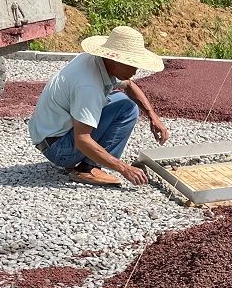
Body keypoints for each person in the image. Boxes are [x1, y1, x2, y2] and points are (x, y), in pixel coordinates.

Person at [28, 25, 169, 187]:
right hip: (58, 149)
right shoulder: (88, 86)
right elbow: (82, 140)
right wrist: (124, 169)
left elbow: (129, 85)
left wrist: (153, 116)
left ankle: (90, 163)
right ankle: (88, 168)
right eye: (131, 65)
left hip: (50, 136)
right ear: (114, 59)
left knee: (126, 105)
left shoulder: (94, 61)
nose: (135, 70)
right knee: (127, 109)